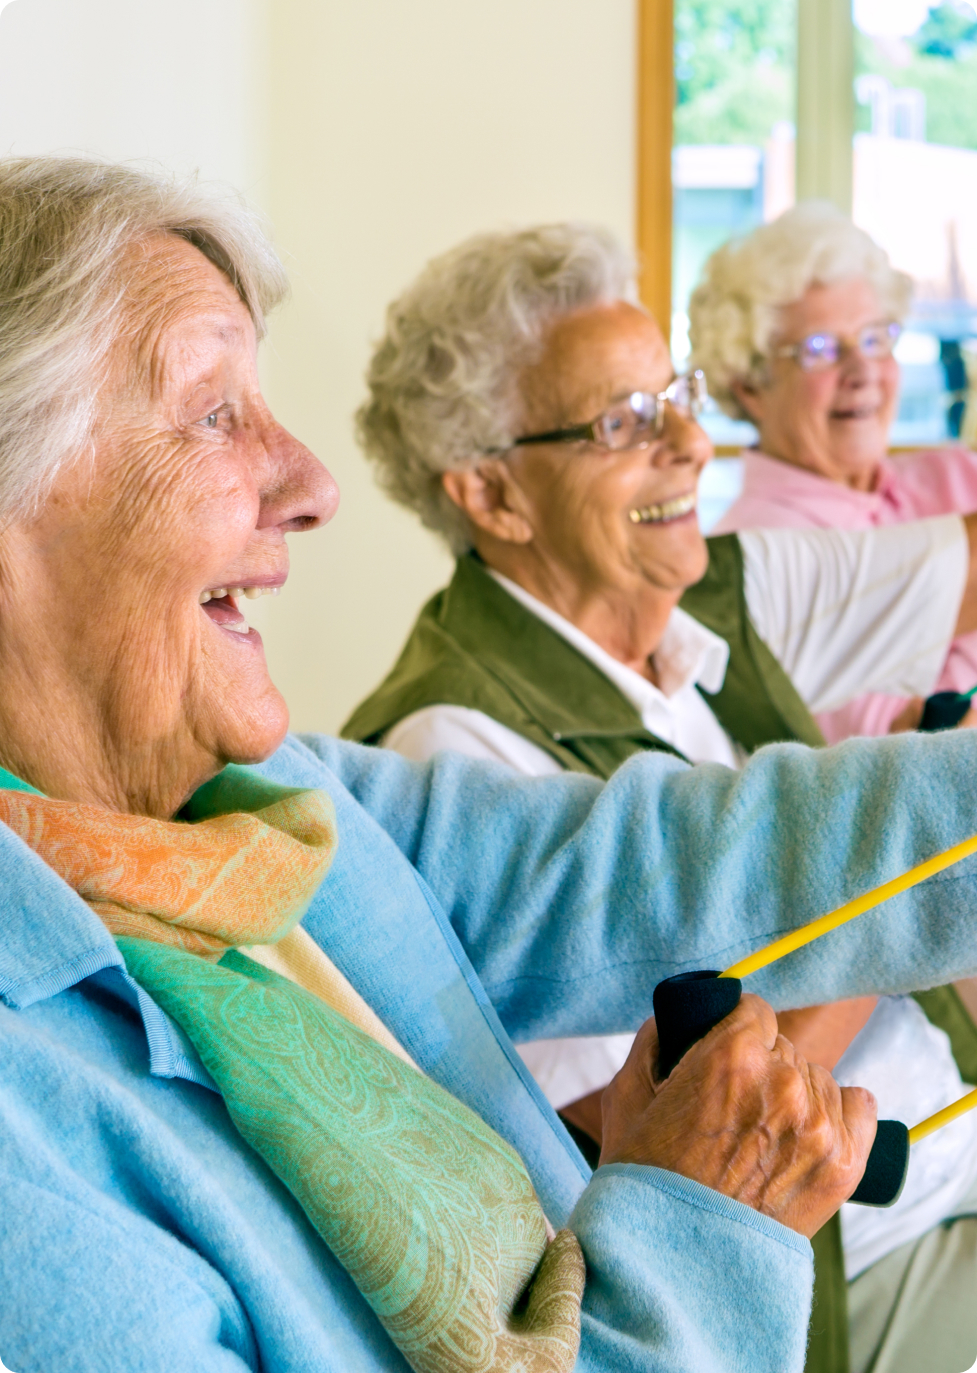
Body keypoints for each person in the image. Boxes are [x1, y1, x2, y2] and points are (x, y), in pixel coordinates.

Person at [344, 222, 977, 1373]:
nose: (691, 443)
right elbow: (631, 1141)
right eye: (623, 424)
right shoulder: (452, 746)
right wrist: (890, 896)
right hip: (847, 1261)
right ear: (491, 491)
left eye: (674, 396)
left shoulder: (710, 597)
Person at [689, 200, 977, 741]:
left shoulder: (956, 477)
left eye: (874, 338)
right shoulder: (747, 561)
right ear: (749, 383)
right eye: (818, 349)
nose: (862, 369)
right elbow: (909, 748)